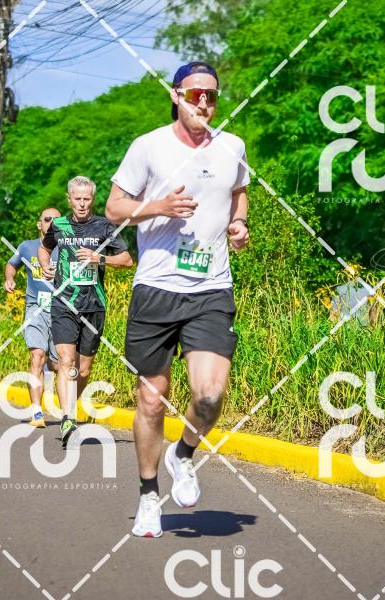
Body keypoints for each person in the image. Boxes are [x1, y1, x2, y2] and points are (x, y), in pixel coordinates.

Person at [106, 61, 250, 538]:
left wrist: (239, 224)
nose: (203, 102)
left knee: (209, 396)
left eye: (211, 95)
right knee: (152, 399)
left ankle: (183, 453)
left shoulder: (232, 147)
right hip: (157, 287)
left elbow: (238, 192)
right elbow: (114, 208)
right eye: (194, 94)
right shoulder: (148, 146)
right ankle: (149, 496)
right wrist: (159, 206)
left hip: (211, 287)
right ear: (175, 95)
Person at [39, 176, 132, 442]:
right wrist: (45, 265)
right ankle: (68, 418)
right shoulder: (58, 226)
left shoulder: (104, 226)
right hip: (63, 302)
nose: (82, 203)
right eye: (77, 198)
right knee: (65, 361)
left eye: (87, 199)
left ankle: (69, 406)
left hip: (94, 305)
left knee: (83, 371)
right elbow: (44, 249)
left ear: (93, 199)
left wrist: (98, 257)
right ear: (69, 199)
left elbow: (127, 260)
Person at [4, 207, 63, 428]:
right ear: (40, 224)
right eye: (48, 219)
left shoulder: (67, 248)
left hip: (61, 311)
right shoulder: (27, 246)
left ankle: (65, 410)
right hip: (36, 307)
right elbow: (11, 264)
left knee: (58, 365)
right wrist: (10, 278)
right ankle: (37, 412)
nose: (52, 223)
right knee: (37, 356)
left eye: (57, 220)